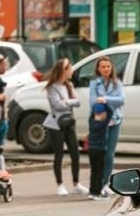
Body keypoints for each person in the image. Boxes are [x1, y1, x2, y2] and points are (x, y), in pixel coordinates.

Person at [42, 59, 85, 196]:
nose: (72, 71)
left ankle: (76, 183)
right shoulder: (52, 87)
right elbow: (57, 105)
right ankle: (60, 185)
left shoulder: (69, 85)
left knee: (75, 154)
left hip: (69, 123)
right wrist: (68, 102)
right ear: (63, 71)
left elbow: (78, 102)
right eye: (70, 68)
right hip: (56, 124)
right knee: (59, 154)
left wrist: (66, 101)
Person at [86, 57, 124, 199]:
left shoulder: (117, 83)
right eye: (103, 67)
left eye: (108, 66)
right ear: (98, 69)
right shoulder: (94, 84)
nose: (106, 69)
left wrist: (106, 100)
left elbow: (122, 100)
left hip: (115, 121)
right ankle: (97, 185)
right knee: (100, 154)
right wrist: (105, 102)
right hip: (100, 123)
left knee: (109, 154)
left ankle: (106, 183)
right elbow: (93, 102)